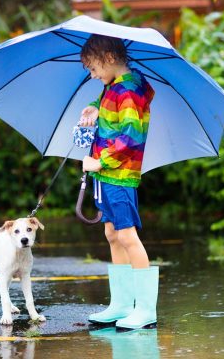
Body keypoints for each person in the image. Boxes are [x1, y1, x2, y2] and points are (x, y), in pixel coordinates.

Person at [79, 34, 158, 330]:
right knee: (112, 234)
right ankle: (123, 304)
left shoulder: (128, 91)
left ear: (109, 58)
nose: (93, 75)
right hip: (106, 175)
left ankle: (146, 309)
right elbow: (107, 110)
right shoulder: (112, 88)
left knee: (127, 236)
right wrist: (94, 108)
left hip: (119, 175)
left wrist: (101, 161)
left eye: (93, 69)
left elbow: (132, 136)